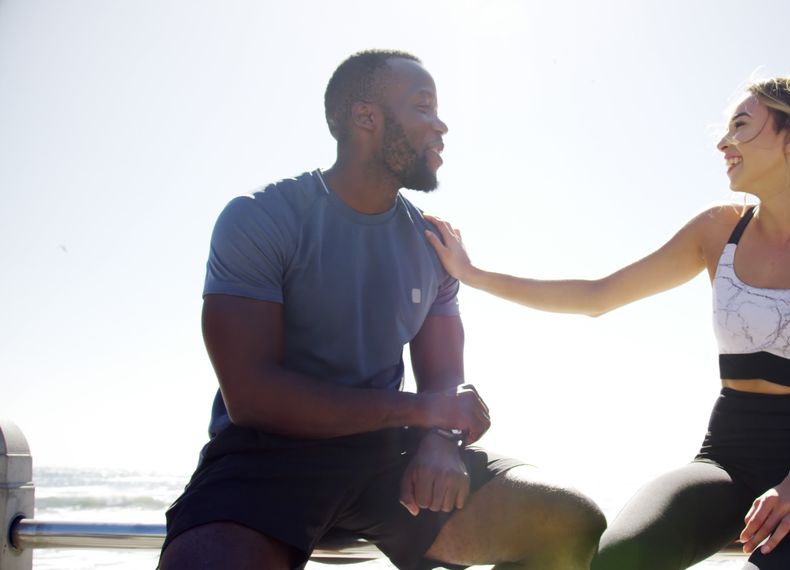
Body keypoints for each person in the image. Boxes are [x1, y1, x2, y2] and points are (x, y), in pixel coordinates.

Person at [425, 77, 790, 570]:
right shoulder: (718, 231)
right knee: (622, 557)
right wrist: (474, 275)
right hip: (727, 458)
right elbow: (598, 296)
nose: (723, 143)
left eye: (740, 126)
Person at [159, 49, 606, 570]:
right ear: (365, 117)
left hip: (386, 462)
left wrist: (437, 440)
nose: (441, 125)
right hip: (265, 457)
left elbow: (442, 383)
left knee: (568, 520)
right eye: (423, 106)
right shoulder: (261, 218)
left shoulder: (432, 243)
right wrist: (426, 413)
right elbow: (253, 397)